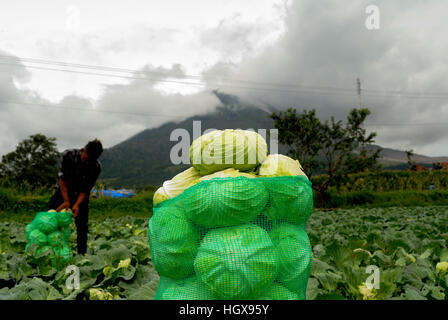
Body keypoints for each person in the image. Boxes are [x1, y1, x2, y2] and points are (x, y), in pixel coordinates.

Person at [48, 139, 103, 255]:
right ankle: (48, 251)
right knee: (50, 219)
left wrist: (76, 205)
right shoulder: (69, 155)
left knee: (82, 226)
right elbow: (62, 180)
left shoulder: (96, 167)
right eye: (86, 159)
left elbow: (85, 190)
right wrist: (67, 201)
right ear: (83, 150)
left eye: (91, 161)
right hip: (62, 192)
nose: (87, 163)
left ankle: (81, 254)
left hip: (80, 195)